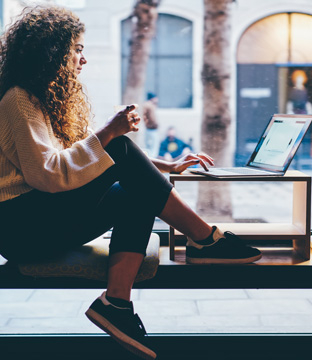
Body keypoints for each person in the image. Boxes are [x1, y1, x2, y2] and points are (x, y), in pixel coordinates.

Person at [0, 6, 261, 360]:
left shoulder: (44, 97)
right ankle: (205, 238)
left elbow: (86, 155)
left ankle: (116, 303)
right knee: (119, 146)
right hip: (21, 230)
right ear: (52, 51)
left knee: (135, 194)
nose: (83, 58)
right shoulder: (18, 99)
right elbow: (48, 174)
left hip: (40, 219)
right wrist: (110, 132)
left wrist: (163, 165)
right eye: (76, 48)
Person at [142, 92, 159, 158]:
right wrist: (155, 125)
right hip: (152, 129)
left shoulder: (146, 105)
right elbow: (152, 118)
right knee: (153, 148)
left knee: (148, 147)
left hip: (148, 128)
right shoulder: (150, 106)